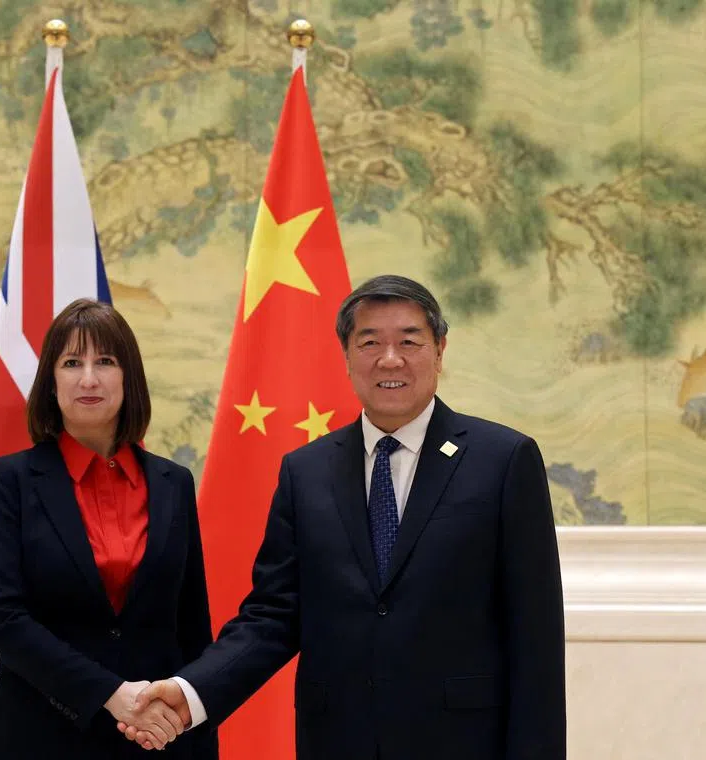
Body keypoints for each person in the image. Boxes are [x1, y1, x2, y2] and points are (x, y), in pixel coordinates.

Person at [124, 275, 566, 759]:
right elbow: (273, 616)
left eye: (409, 341)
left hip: (461, 743)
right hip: (337, 740)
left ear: (439, 350)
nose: (390, 359)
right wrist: (191, 694)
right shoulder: (306, 471)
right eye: (370, 342)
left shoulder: (503, 460)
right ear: (347, 356)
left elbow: (535, 638)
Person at [0, 298, 218, 759]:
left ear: (129, 379)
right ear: (51, 383)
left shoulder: (173, 485)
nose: (89, 378)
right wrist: (111, 694)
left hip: (155, 741)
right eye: (72, 362)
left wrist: (196, 733)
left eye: (105, 361)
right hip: (39, 736)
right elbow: (2, 619)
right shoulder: (8, 481)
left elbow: (191, 630)